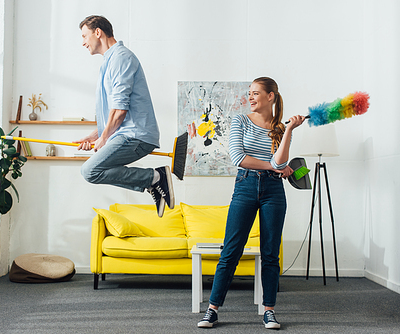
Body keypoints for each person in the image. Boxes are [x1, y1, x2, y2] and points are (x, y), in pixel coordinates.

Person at [197, 77, 306, 329]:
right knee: (231, 250)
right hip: (245, 186)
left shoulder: (280, 128)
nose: (251, 97)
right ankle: (212, 310)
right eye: (250, 93)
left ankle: (269, 310)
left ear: (271, 96)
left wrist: (289, 130)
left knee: (270, 253)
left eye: (256, 93)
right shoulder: (241, 121)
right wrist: (273, 165)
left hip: (273, 190)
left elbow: (280, 164)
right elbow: (239, 157)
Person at [76, 15, 174, 217]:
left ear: (98, 32)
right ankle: (153, 181)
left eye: (85, 35)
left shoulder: (121, 58)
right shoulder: (110, 61)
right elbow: (113, 113)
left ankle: (155, 177)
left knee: (89, 171)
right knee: (92, 171)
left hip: (135, 135)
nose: (83, 42)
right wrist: (95, 136)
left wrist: (104, 139)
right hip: (128, 134)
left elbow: (120, 110)